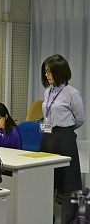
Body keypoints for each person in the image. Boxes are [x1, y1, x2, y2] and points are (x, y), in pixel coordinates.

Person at [40, 54, 84, 198]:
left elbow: (79, 119)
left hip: (64, 138)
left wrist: (65, 129)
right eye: (46, 71)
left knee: (68, 178)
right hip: (48, 135)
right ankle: (48, 213)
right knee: (48, 177)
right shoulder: (48, 92)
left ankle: (70, 215)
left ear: (59, 72)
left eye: (50, 71)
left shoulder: (72, 93)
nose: (47, 75)